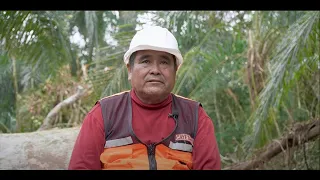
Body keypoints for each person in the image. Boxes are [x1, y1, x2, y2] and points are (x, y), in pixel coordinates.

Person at [68, 26, 221, 170]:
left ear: (175, 71)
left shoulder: (195, 116)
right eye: (145, 61)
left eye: (164, 62)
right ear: (130, 69)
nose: (155, 70)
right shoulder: (103, 113)